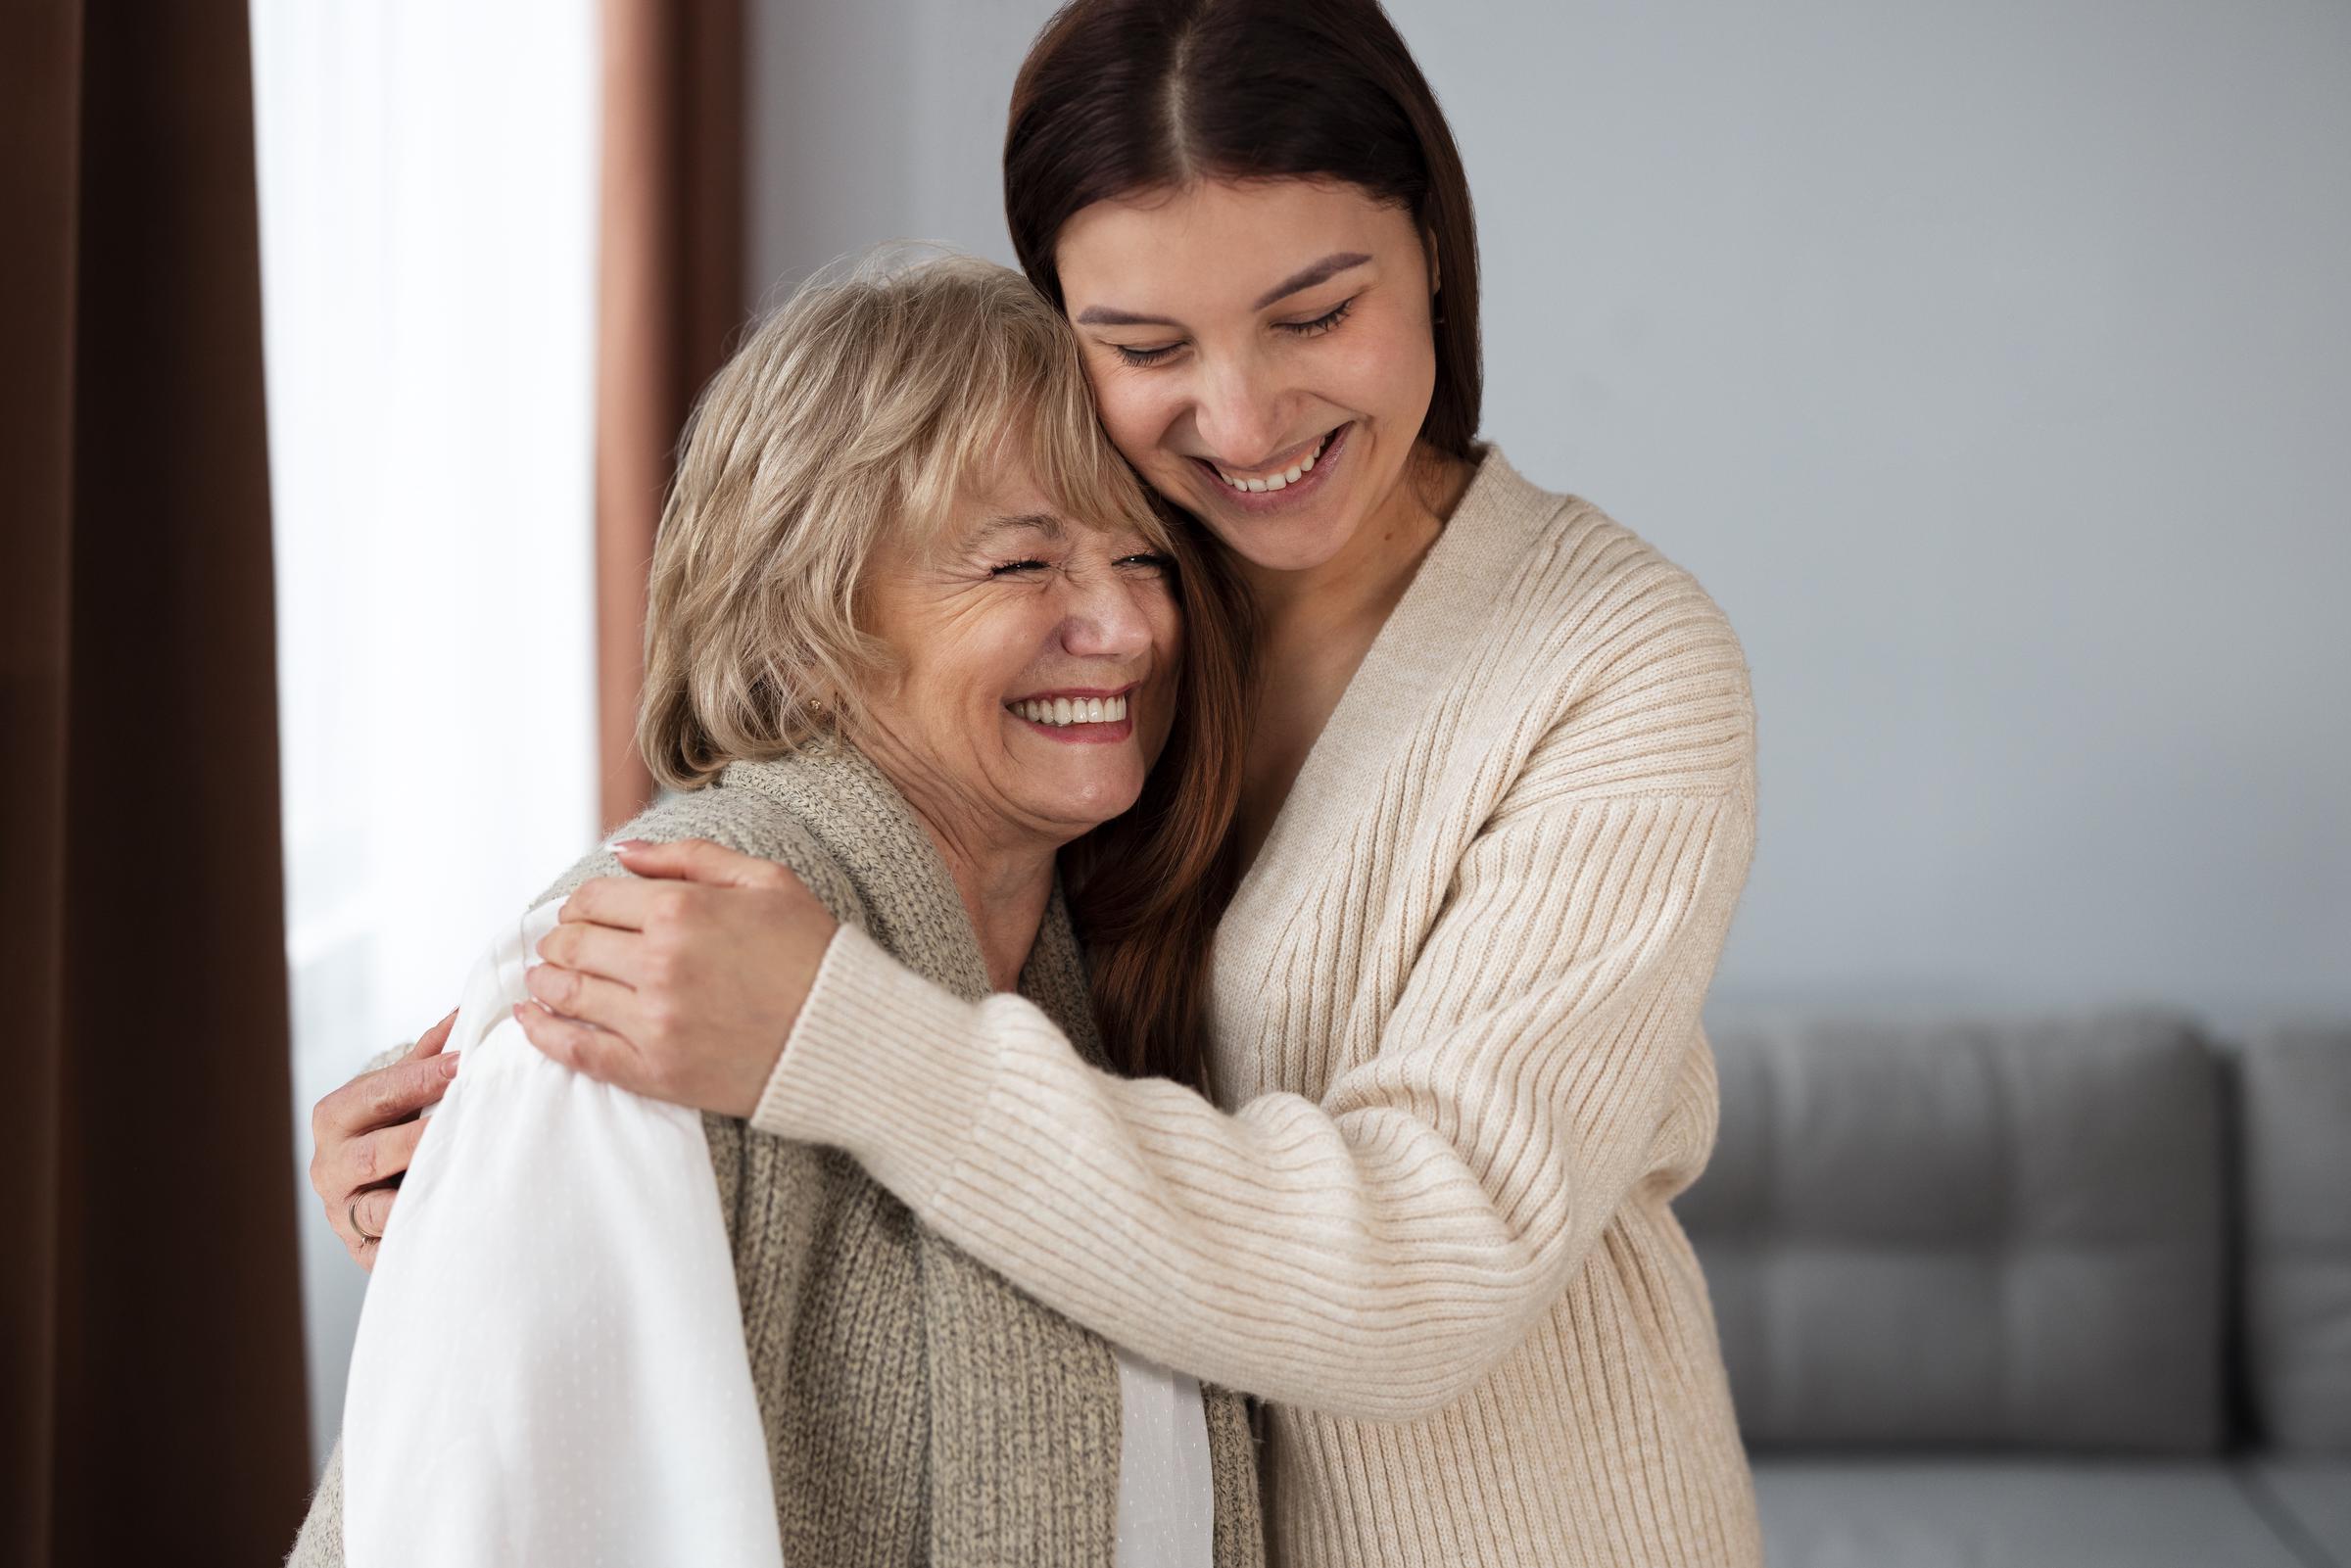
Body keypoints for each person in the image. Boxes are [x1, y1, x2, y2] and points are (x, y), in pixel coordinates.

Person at [330, 0, 1764, 1562]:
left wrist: (841, 1038)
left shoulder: (1618, 664)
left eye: (1313, 313)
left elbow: (1433, 1255)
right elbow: (825, 815)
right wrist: (489, 1113)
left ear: (1431, 245)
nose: (1241, 418)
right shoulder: (1119, 620)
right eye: (1148, 347)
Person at [293, 252, 1266, 1566]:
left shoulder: (1099, 967)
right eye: (1021, 563)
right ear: (808, 621)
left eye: (1143, 557)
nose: (1127, 626)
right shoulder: (629, 988)